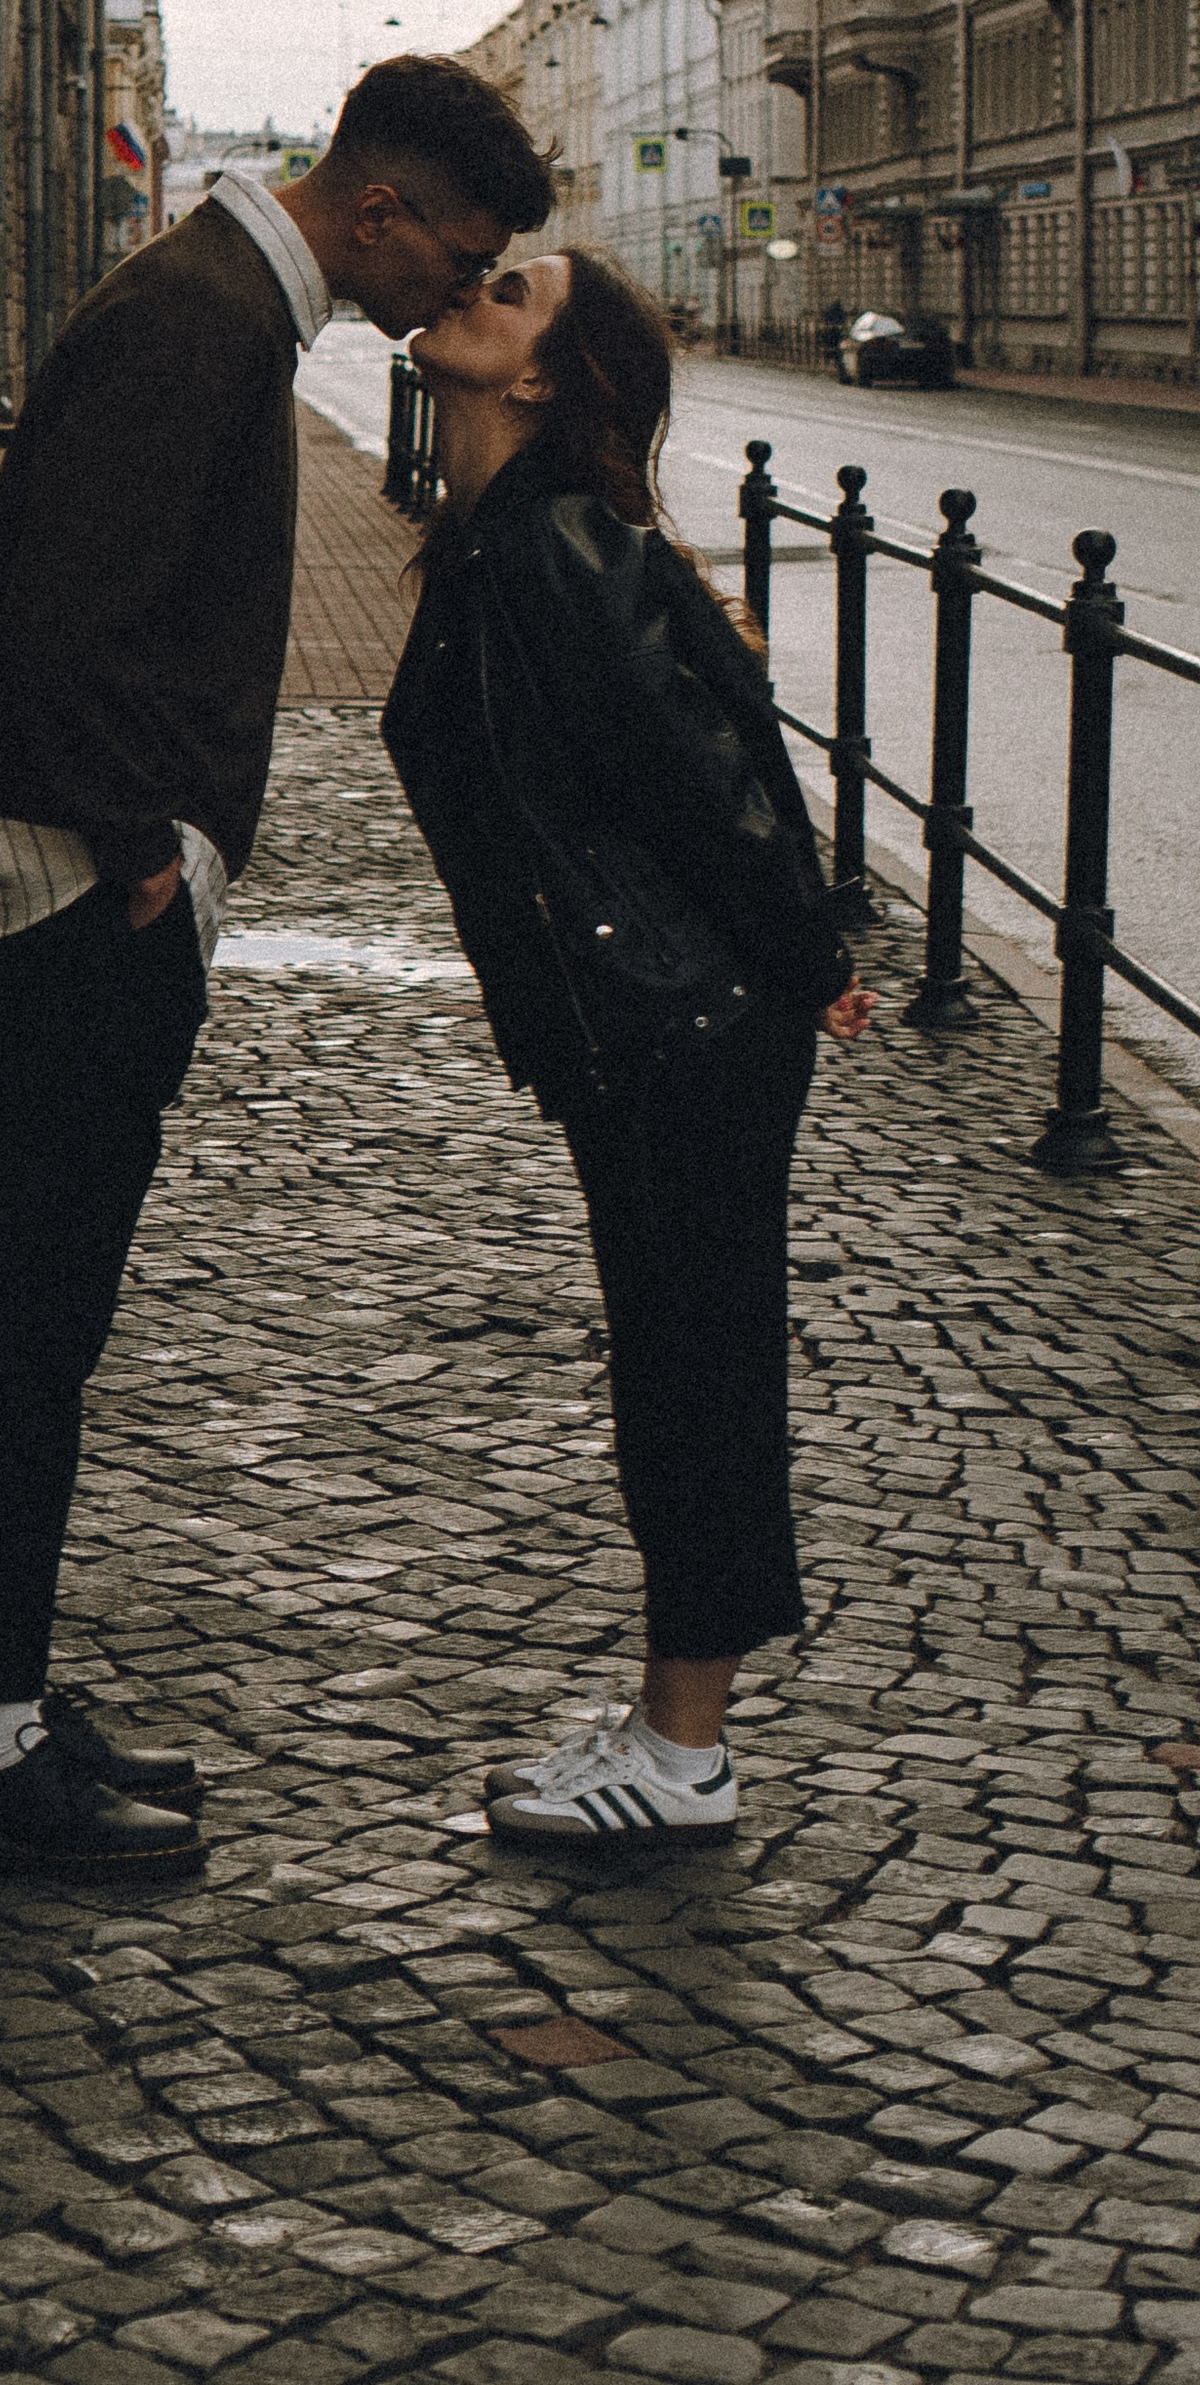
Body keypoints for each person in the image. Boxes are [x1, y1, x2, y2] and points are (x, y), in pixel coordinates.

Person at [0, 57, 555, 1882]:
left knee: (42, 1311)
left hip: (84, 871)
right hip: (67, 886)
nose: (454, 297)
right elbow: (61, 612)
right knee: (24, 1309)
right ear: (381, 206)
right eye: (457, 254)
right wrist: (143, 851)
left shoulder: (222, 299)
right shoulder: (198, 320)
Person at [382, 246, 871, 1846]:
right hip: (649, 1015)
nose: (470, 284)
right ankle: (674, 1724)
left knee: (696, 1364)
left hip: (687, 1020)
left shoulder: (555, 547)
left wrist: (807, 964)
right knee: (677, 1353)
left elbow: (712, 776)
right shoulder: (502, 539)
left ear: (536, 375)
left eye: (510, 290)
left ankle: (684, 1756)